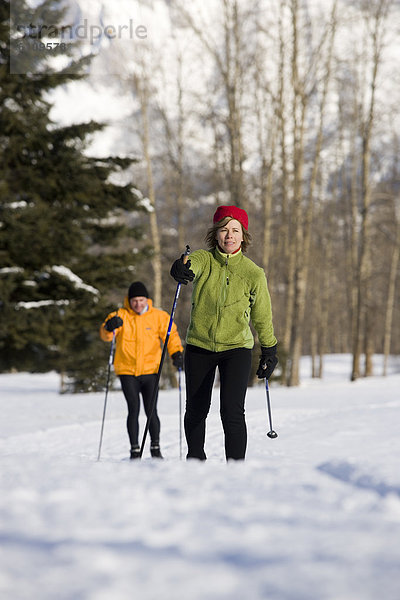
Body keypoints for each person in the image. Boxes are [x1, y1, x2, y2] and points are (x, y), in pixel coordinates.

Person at [170, 205, 277, 461]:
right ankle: (195, 461)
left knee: (232, 411)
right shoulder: (204, 260)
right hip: (199, 346)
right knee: (196, 409)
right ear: (215, 234)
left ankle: (236, 469)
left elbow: (262, 315)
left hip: (236, 349)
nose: (229, 235)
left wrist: (269, 349)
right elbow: (190, 263)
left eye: (235, 230)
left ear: (243, 236)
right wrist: (180, 265)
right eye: (224, 229)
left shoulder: (253, 273)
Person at [100, 281, 184, 459]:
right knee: (133, 408)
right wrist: (108, 327)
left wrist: (176, 353)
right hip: (127, 371)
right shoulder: (120, 315)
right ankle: (135, 449)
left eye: (141, 300)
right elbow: (106, 335)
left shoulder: (159, 317)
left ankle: (155, 447)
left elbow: (171, 336)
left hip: (150, 371)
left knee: (151, 409)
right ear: (128, 301)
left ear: (147, 299)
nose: (138, 304)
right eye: (134, 301)